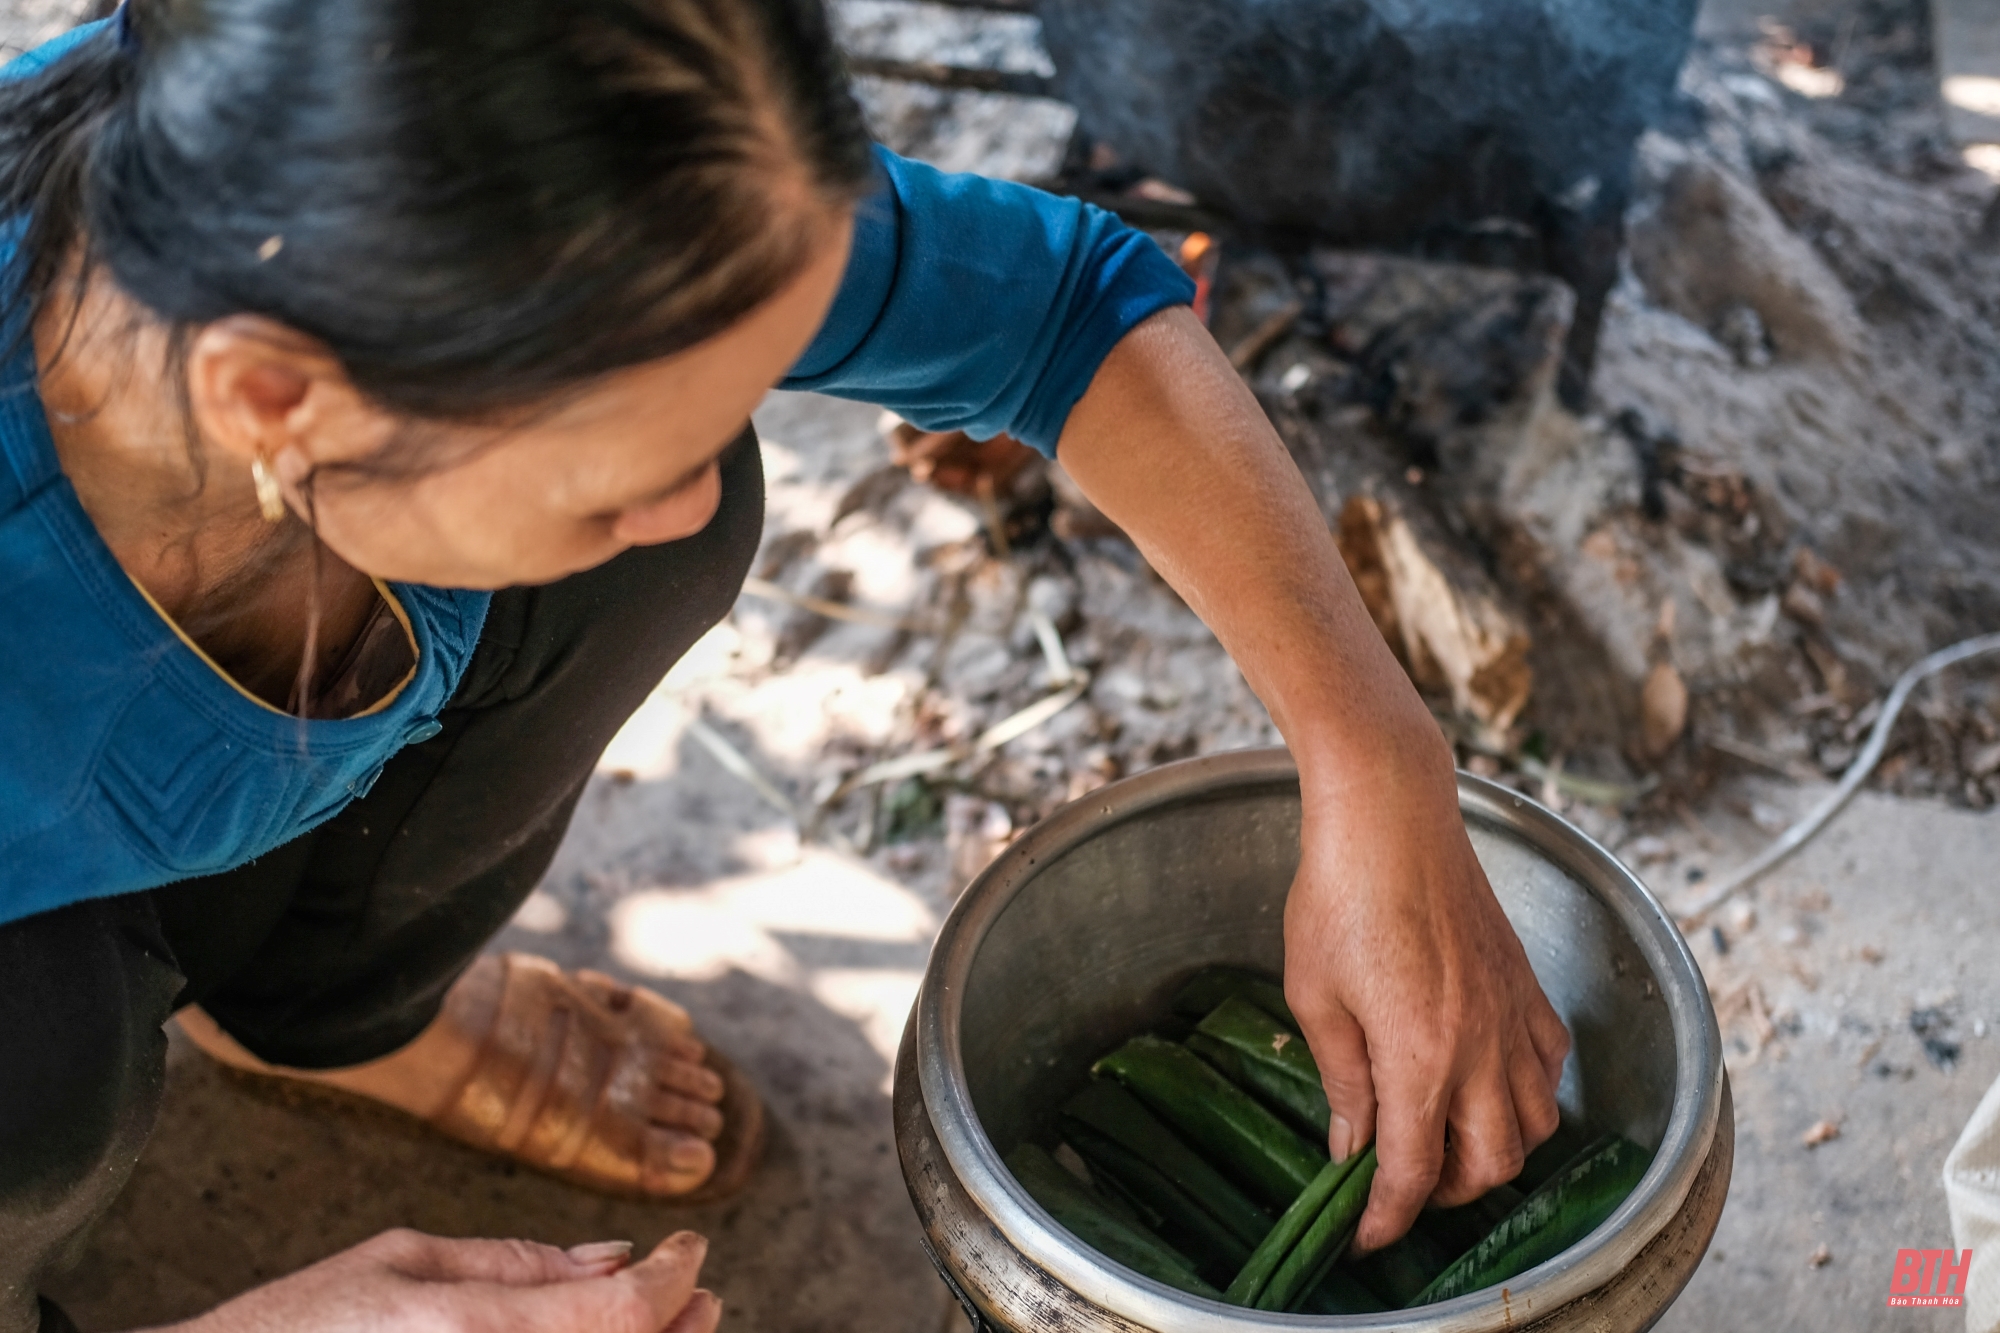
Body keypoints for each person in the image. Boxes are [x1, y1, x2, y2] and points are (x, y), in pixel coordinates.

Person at [0, 0, 1572, 1329]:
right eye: (608, 464)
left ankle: (345, 1010)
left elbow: (1074, 310)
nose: (682, 505)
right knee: (38, 1096)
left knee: (664, 530)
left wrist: (1378, 760)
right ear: (279, 398)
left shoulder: (542, 177)